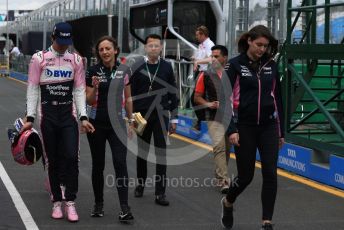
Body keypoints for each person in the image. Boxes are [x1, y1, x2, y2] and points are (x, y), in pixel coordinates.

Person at [20, 22, 95, 222]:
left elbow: (79, 90)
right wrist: (30, 117)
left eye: (67, 42)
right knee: (52, 160)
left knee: (72, 157)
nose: (63, 46)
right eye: (60, 41)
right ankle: (56, 202)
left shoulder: (77, 60)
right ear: (53, 38)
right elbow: (33, 88)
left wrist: (83, 117)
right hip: (47, 116)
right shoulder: (39, 59)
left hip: (68, 116)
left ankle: (70, 201)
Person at [220, 25, 285, 230]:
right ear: (249, 41)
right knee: (246, 176)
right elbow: (225, 100)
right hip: (244, 127)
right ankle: (228, 202)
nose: (262, 49)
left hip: (268, 126)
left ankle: (267, 221)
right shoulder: (234, 66)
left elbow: (278, 100)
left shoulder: (271, 65)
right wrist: (231, 129)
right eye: (258, 45)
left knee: (270, 174)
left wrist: (281, 131)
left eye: (265, 46)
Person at [85, 35, 134, 222]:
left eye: (108, 48)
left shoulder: (124, 70)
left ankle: (124, 208)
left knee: (120, 162)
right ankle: (98, 204)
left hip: (118, 124)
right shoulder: (92, 71)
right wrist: (95, 88)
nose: (104, 52)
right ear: (98, 53)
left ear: (115, 50)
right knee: (98, 165)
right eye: (101, 49)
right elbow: (88, 100)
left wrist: (131, 120)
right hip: (96, 124)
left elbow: (128, 98)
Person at [128, 34, 178, 206]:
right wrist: (131, 116)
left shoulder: (166, 67)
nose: (154, 48)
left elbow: (173, 93)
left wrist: (175, 119)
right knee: (142, 152)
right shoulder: (137, 66)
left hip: (162, 115)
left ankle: (160, 193)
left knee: (161, 155)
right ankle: (140, 185)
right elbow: (131, 94)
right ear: (146, 48)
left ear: (161, 48)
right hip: (142, 115)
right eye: (150, 46)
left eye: (157, 46)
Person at [193, 45, 231, 194]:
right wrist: (209, 104)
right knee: (219, 146)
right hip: (213, 116)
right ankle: (223, 180)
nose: (213, 59)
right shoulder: (205, 75)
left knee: (227, 148)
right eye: (212, 56)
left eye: (216, 56)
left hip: (230, 116)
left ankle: (219, 174)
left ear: (225, 58)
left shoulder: (233, 73)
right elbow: (197, 98)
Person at [192, 25, 215, 130]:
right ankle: (201, 120)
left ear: (203, 35)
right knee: (198, 98)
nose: (196, 37)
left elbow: (211, 58)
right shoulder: (201, 45)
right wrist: (195, 60)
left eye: (198, 35)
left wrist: (197, 61)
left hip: (206, 74)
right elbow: (199, 58)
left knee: (197, 98)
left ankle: (202, 120)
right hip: (200, 73)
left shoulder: (210, 44)